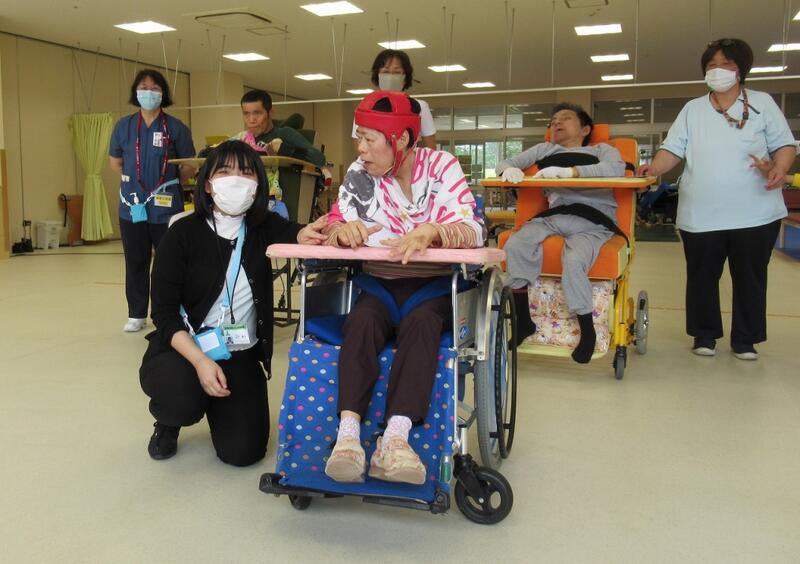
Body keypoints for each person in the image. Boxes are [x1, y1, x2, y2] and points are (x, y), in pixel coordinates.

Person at [322, 91, 484, 484]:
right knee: (360, 322)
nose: (360, 149)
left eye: (369, 139)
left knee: (422, 325)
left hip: (431, 287)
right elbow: (333, 221)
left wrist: (434, 230)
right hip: (379, 283)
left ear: (403, 139)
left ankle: (395, 439)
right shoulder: (360, 175)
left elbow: (472, 228)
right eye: (358, 138)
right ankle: (347, 437)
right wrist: (341, 230)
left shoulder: (441, 167)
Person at [139, 140, 328, 465]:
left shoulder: (263, 226)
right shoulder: (181, 233)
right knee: (182, 395)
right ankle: (169, 421)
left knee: (244, 453)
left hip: (239, 353)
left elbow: (297, 233)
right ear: (208, 185)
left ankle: (218, 404)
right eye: (225, 171)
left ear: (257, 186)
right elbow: (164, 313)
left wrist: (319, 230)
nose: (236, 180)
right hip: (186, 350)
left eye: (246, 172)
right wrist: (200, 362)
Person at [638, 38, 794, 361]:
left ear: (741, 70)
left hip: (755, 212)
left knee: (750, 277)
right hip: (701, 213)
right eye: (711, 65)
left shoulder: (762, 103)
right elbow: (673, 149)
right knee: (702, 277)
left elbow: (785, 144)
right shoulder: (692, 109)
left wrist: (780, 167)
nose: (717, 70)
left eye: (726, 64)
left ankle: (745, 340)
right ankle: (704, 335)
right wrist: (654, 167)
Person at [496, 103, 626, 364]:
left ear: (585, 129)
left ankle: (587, 332)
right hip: (555, 215)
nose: (556, 123)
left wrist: (571, 173)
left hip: (593, 218)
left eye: (565, 118)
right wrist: (507, 169)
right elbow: (505, 162)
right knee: (516, 244)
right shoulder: (545, 149)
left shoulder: (602, 150)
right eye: (553, 120)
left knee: (575, 259)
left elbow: (616, 170)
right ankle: (524, 322)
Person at [109, 69, 196, 333]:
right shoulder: (123, 126)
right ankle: (136, 313)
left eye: (155, 88)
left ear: (163, 93)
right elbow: (115, 163)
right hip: (132, 205)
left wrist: (167, 183)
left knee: (168, 263)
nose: (149, 92)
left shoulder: (176, 128)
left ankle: (166, 312)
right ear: (136, 92)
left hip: (166, 207)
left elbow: (189, 165)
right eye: (144, 87)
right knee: (135, 261)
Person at [351, 49, 437, 149]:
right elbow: (359, 144)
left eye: (397, 72)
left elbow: (430, 148)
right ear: (377, 75)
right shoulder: (365, 106)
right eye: (385, 72)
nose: (390, 76)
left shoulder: (419, 106)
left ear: (405, 77)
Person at [232, 89, 327, 168]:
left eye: (257, 113)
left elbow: (320, 160)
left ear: (270, 113)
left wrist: (284, 149)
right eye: (246, 114)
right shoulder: (242, 138)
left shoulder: (284, 133)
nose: (251, 120)